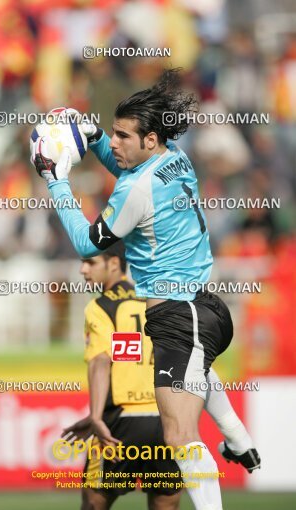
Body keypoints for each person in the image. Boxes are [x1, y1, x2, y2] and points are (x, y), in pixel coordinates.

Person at [32, 68, 260, 510]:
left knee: (178, 435)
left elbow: (87, 242)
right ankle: (237, 439)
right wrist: (93, 134)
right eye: (112, 134)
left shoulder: (135, 189)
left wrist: (54, 178)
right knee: (194, 374)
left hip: (180, 314)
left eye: (121, 136)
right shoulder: (176, 156)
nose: (113, 144)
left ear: (150, 139)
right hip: (198, 308)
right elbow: (122, 162)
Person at [62, 242, 183, 510]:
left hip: (120, 422)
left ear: (114, 263)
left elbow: (101, 361)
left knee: (94, 502)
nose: (83, 270)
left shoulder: (102, 306)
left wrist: (96, 416)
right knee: (167, 502)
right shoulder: (159, 299)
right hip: (166, 420)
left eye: (91, 262)